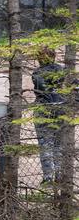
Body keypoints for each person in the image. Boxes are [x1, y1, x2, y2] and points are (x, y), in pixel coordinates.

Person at [32, 48, 70, 184]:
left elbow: (41, 90)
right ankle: (59, 175)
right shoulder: (62, 70)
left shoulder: (37, 73)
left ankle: (48, 177)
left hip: (43, 109)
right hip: (60, 107)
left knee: (45, 144)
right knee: (58, 144)